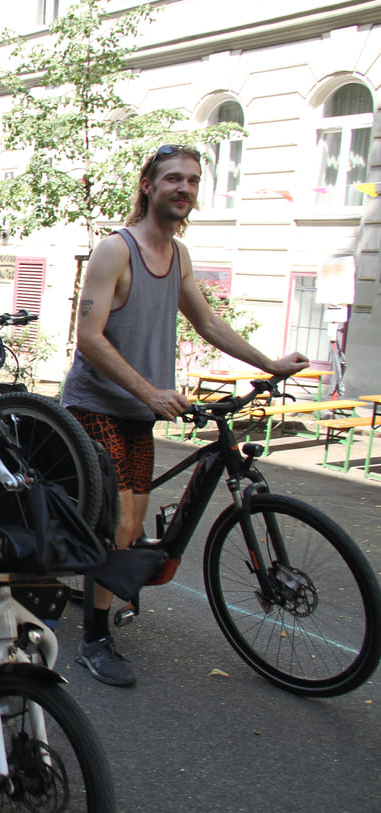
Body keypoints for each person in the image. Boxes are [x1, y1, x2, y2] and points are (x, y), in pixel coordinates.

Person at [62, 144, 309, 687]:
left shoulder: (180, 257)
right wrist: (150, 391)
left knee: (128, 525)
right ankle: (94, 639)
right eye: (173, 178)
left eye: (193, 181)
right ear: (148, 185)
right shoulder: (116, 250)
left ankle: (104, 584)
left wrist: (269, 363)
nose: (185, 189)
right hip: (94, 405)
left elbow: (209, 324)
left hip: (139, 414)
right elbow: (88, 337)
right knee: (122, 523)